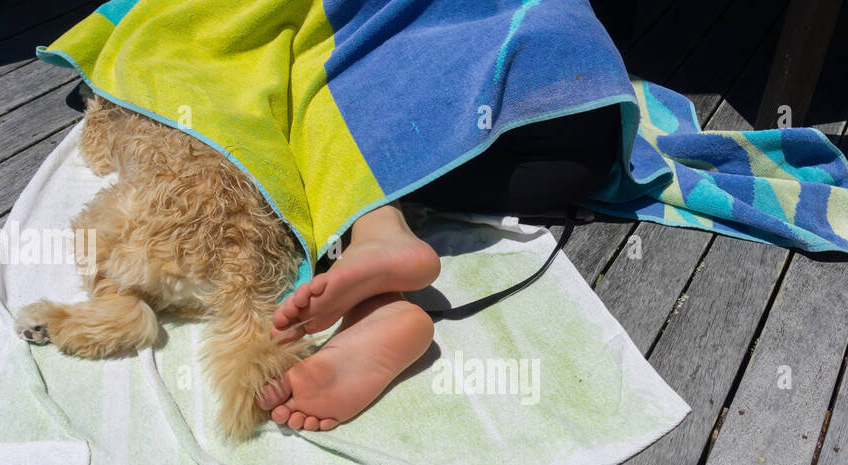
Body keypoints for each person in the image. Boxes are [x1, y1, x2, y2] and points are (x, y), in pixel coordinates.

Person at [255, 104, 623, 431]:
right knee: (340, 102)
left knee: (319, 102)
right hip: (568, 144)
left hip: (453, 138)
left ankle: (378, 229)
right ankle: (375, 295)